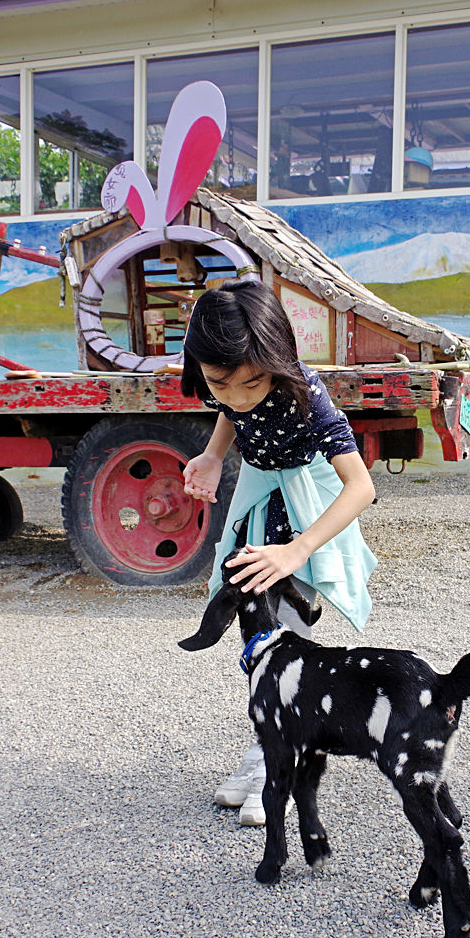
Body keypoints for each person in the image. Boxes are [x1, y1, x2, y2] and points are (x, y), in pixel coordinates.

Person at [180, 278, 377, 826]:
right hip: (261, 498)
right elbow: (233, 416)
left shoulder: (306, 394)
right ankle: (265, 750)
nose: (239, 396)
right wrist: (214, 456)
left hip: (307, 510)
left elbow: (361, 487)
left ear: (278, 358)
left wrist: (297, 552)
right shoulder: (220, 380)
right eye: (223, 383)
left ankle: (275, 761)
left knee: (290, 636)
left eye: (254, 382)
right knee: (258, 634)